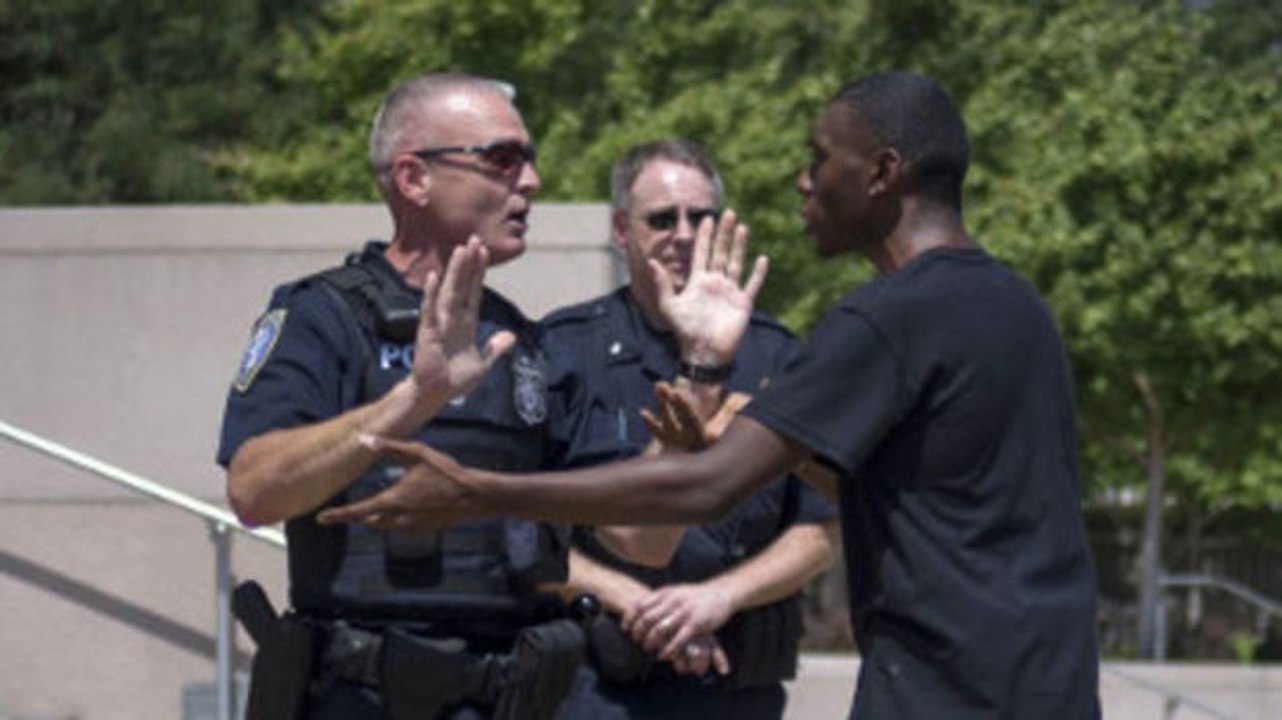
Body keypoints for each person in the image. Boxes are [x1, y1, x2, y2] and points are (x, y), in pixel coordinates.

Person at [319, 70, 1103, 719]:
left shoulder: (885, 319)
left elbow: (708, 486)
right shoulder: (1013, 304)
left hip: (945, 694)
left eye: (819, 158)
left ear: (883, 172)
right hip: (1048, 685)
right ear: (623, 230)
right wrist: (723, 410)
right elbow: (906, 491)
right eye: (662, 217)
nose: (804, 180)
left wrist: (474, 491)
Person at [218, 73, 579, 720]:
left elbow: (622, 543)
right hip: (362, 699)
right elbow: (253, 491)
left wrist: (699, 375)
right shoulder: (323, 316)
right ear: (414, 179)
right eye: (502, 159)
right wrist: (415, 397)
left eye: (528, 159)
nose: (530, 182)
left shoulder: (522, 341)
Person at [543, 139, 838, 719]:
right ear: (622, 231)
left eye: (699, 217)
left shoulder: (779, 358)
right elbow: (520, 537)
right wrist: (631, 599)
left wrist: (717, 598)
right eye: (661, 219)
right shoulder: (563, 352)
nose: (683, 233)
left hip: (735, 689)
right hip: (598, 693)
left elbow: (823, 528)